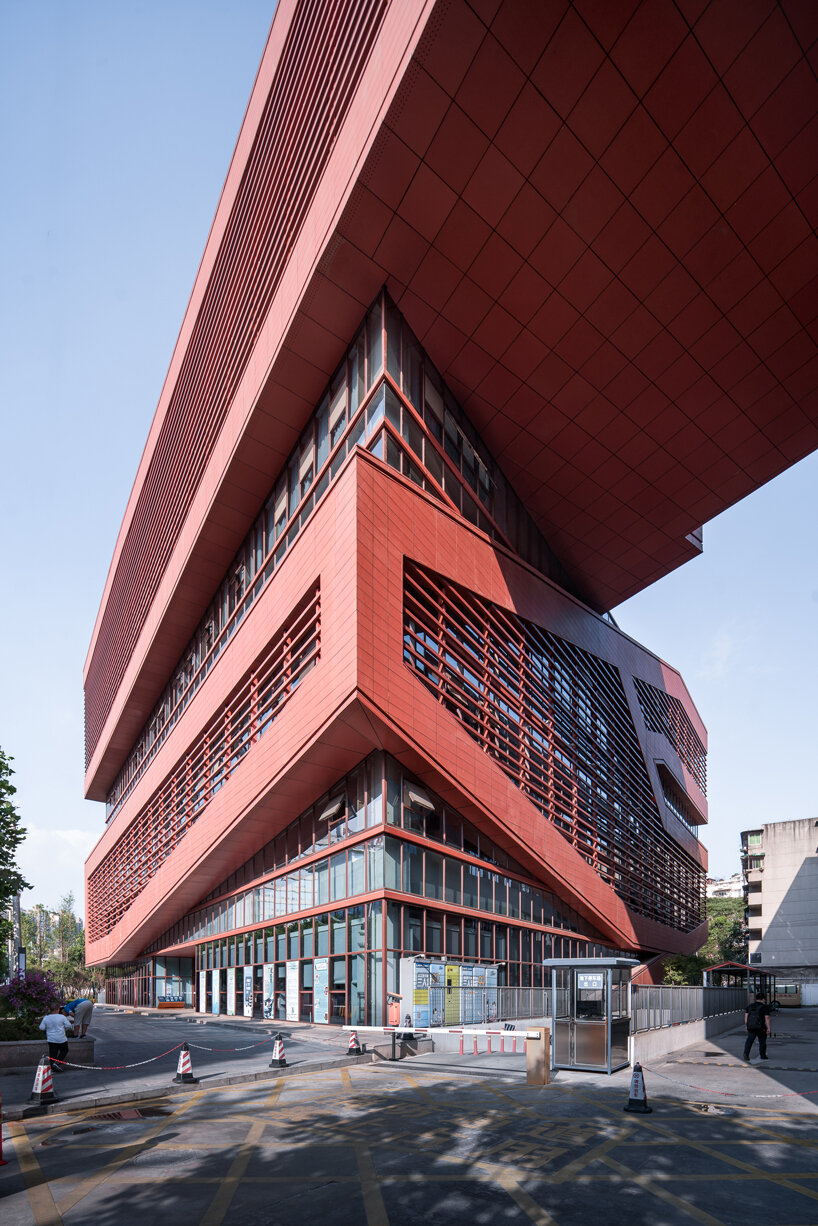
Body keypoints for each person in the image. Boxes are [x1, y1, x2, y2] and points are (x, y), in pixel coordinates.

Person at [39, 1002, 74, 1073]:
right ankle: (57, 1063)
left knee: (53, 1054)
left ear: (50, 1009)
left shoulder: (46, 1018)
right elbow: (68, 1025)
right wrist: (64, 1028)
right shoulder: (62, 1017)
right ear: (58, 1009)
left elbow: (41, 1027)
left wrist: (47, 1028)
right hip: (61, 1038)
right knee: (64, 1050)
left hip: (51, 1039)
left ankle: (53, 1067)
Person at [743, 991, 771, 1062]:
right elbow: (767, 1018)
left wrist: (747, 1025)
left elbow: (746, 1017)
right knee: (762, 1041)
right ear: (763, 999)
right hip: (761, 1027)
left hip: (751, 1027)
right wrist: (768, 1028)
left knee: (749, 1041)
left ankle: (746, 1054)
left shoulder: (750, 1006)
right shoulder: (764, 1007)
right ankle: (763, 1055)